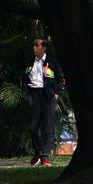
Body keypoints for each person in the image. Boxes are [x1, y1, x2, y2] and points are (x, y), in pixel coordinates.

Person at [24, 37, 63, 166]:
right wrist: (27, 95)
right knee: (32, 127)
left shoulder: (51, 62)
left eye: (37, 45)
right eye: (33, 45)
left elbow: (61, 79)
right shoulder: (29, 62)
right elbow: (24, 78)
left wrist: (56, 93)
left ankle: (45, 156)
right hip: (34, 95)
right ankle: (38, 152)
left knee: (47, 127)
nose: (34, 48)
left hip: (48, 96)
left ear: (44, 48)